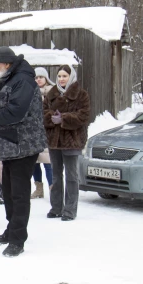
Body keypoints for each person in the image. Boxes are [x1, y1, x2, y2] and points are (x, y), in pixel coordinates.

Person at [0, 47, 47, 258]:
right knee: (9, 193)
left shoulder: (22, 80)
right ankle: (11, 230)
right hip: (11, 145)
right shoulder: (12, 79)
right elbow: (5, 105)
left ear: (6, 64)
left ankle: (17, 239)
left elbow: (16, 112)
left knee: (19, 194)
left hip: (23, 145)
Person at [43, 65, 90, 221]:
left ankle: (70, 210)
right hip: (54, 141)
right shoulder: (51, 94)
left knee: (71, 176)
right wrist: (51, 117)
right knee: (56, 176)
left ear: (71, 77)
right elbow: (42, 114)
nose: (62, 79)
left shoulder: (81, 95)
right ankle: (56, 207)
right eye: (60, 76)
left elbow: (83, 116)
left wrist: (64, 118)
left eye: (65, 76)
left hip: (72, 140)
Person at [31, 67, 55, 199]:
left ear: (46, 78)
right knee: (34, 162)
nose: (38, 79)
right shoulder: (30, 93)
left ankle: (53, 189)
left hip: (47, 131)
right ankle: (39, 189)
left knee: (48, 162)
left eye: (41, 77)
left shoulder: (53, 93)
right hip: (33, 133)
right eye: (36, 77)